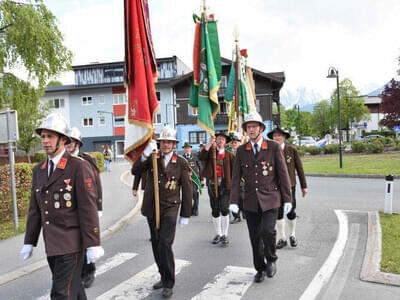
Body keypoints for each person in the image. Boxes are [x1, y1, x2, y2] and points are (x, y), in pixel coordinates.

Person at [20, 113, 104, 300]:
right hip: (52, 244)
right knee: (74, 289)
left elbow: (87, 208)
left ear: (63, 140)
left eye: (50, 136)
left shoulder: (77, 166)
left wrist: (93, 243)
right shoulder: (39, 170)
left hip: (72, 244)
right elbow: (36, 209)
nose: (45, 141)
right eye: (43, 136)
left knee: (60, 294)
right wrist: (29, 240)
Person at [229, 111, 292, 283]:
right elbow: (235, 178)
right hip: (250, 201)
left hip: (271, 198)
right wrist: (234, 201)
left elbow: (283, 174)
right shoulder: (242, 150)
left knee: (267, 231)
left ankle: (271, 259)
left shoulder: (273, 147)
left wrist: (287, 199)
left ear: (261, 128)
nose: (251, 129)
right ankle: (260, 267)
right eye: (248, 127)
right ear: (245, 130)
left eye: (254, 126)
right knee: (254, 237)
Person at [131, 126, 192, 299]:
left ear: (174, 144)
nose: (166, 145)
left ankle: (169, 282)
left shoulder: (180, 162)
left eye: (169, 142)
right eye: (163, 141)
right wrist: (145, 154)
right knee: (156, 244)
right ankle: (162, 273)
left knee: (165, 243)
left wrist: (185, 214)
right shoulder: (153, 158)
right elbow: (135, 171)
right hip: (152, 207)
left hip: (170, 208)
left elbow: (186, 190)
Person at [67, 127, 104, 288]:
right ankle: (76, 271)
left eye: (72, 142)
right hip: (69, 210)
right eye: (67, 141)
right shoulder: (62, 161)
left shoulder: (87, 160)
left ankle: (89, 271)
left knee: (87, 239)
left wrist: (99, 206)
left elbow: (97, 184)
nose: (69, 145)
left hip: (86, 207)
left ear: (78, 143)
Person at [268, 126, 308, 249]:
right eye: (275, 136)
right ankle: (282, 237)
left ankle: (292, 235)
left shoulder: (291, 150)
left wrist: (304, 186)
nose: (277, 138)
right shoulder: (269, 151)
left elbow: (299, 169)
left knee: (290, 211)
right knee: (278, 213)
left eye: (279, 135)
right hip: (275, 187)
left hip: (289, 186)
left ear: (284, 137)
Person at [199, 131, 235, 246]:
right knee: (215, 209)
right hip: (212, 184)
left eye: (223, 139)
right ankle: (218, 233)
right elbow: (200, 157)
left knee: (224, 208)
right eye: (218, 139)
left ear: (225, 142)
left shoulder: (230, 156)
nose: (220, 141)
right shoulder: (211, 153)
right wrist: (209, 143)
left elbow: (235, 171)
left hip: (225, 185)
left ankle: (225, 234)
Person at [228, 131, 245, 224]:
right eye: (232, 142)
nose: (234, 144)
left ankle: (245, 212)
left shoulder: (244, 152)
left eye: (236, 142)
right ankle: (236, 216)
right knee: (233, 198)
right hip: (232, 179)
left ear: (239, 143)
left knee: (243, 197)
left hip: (243, 179)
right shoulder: (228, 153)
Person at [182, 141, 203, 216]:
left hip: (195, 179)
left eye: (188, 148)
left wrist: (202, 179)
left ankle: (195, 210)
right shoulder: (182, 158)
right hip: (186, 179)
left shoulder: (195, 156)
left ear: (190, 149)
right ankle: (189, 210)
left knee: (195, 194)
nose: (187, 149)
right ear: (184, 149)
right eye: (185, 148)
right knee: (187, 195)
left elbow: (200, 168)